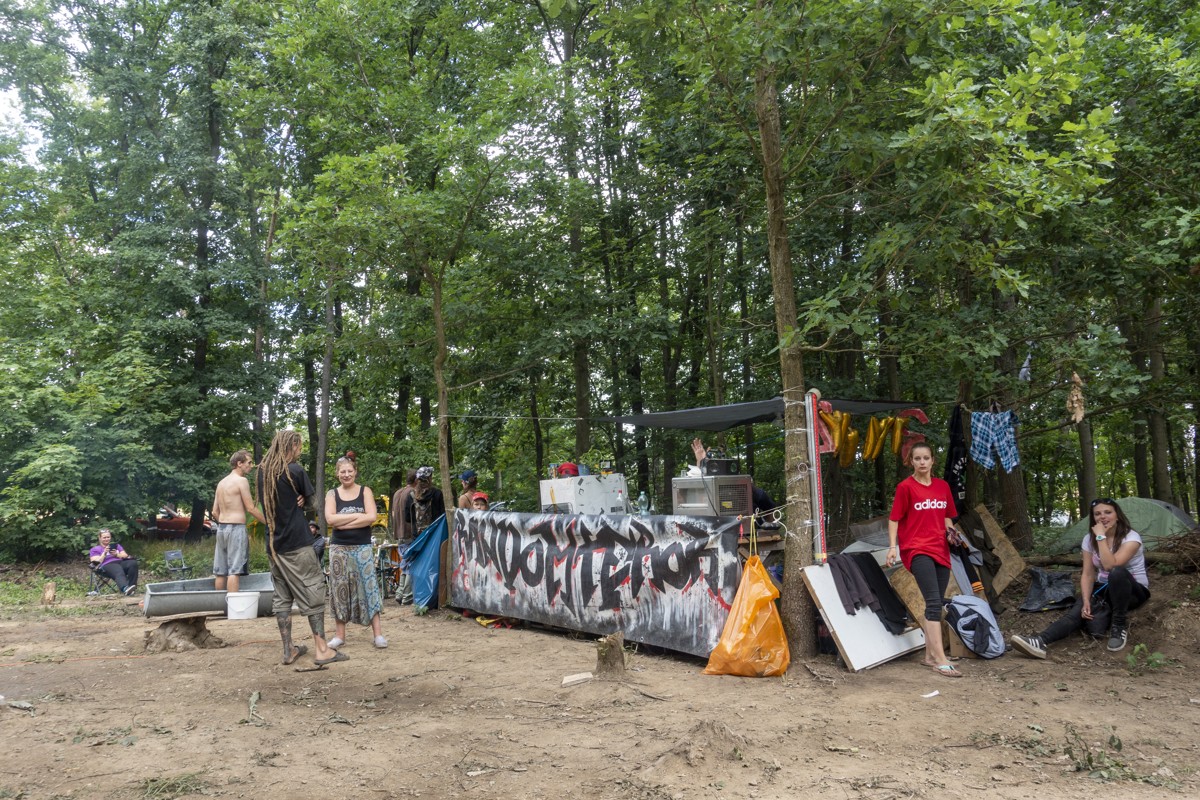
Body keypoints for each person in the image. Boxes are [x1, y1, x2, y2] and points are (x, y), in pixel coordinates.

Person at [1011, 498, 1150, 657]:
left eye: (1108, 512)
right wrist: (1085, 600)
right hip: (1105, 589)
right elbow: (1088, 573)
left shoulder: (1131, 537)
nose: (1102, 517)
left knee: (1117, 572)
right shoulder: (1089, 539)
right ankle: (1040, 641)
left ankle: (1119, 627)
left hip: (1132, 591)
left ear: (1117, 515)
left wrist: (1101, 537)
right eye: (1097, 514)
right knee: (1076, 613)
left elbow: (1110, 565)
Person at [256, 430, 345, 667]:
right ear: (292, 445)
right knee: (313, 590)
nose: (300, 450)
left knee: (282, 597)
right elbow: (314, 503)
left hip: (274, 545)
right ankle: (322, 650)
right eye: (299, 446)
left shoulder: (263, 472)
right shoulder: (294, 470)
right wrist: (304, 501)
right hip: (297, 543)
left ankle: (288, 650)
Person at [886, 442, 961, 678]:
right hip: (917, 550)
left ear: (932, 461)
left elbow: (948, 516)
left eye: (926, 458)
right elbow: (894, 519)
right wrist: (892, 547)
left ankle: (929, 655)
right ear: (911, 461)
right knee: (934, 603)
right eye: (917, 458)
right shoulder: (905, 488)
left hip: (941, 550)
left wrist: (952, 535)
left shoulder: (942, 486)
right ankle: (941, 660)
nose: (922, 462)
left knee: (936, 603)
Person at [324, 454, 387, 650]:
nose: (346, 474)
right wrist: (358, 516)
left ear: (355, 472)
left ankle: (378, 635)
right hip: (339, 548)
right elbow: (330, 520)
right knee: (339, 589)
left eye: (349, 471)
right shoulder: (332, 494)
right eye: (342, 471)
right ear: (337, 474)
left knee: (369, 586)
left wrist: (343, 521)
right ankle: (339, 636)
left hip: (362, 547)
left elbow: (371, 517)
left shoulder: (365, 491)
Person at [211, 449, 266, 594]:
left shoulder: (221, 483)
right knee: (234, 570)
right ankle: (233, 605)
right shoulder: (241, 481)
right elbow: (251, 508)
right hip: (236, 529)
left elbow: (214, 512)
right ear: (239, 463)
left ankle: (220, 605)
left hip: (221, 529)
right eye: (249, 462)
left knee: (220, 571)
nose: (251, 466)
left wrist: (225, 523)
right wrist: (269, 523)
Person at [690, 438, 778, 518]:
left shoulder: (756, 493)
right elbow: (703, 488)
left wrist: (767, 527)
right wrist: (702, 463)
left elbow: (771, 511)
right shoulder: (714, 492)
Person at [399, 466, 446, 605]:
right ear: (430, 478)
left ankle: (418, 597)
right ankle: (433, 598)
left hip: (417, 538)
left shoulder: (411, 495)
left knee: (418, 567)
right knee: (433, 566)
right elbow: (442, 516)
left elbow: (407, 518)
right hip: (434, 536)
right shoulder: (437, 494)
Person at [89, 529, 139, 596]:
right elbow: (95, 562)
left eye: (108, 537)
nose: (106, 539)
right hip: (106, 565)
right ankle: (125, 588)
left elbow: (125, 555)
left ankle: (131, 587)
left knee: (133, 563)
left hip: (120, 562)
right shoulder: (95, 549)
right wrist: (104, 553)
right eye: (104, 537)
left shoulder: (116, 546)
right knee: (117, 568)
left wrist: (116, 554)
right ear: (100, 538)